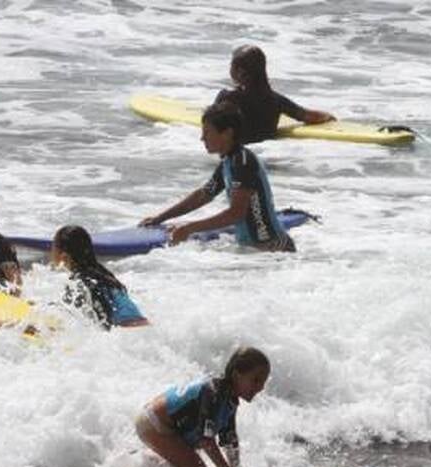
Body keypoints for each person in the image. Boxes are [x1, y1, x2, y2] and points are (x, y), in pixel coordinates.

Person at [140, 102, 296, 251]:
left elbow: (236, 214)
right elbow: (204, 194)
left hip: (274, 248)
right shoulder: (230, 161)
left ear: (227, 133)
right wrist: (160, 218)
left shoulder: (242, 162)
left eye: (207, 132)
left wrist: (189, 228)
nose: (202, 138)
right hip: (255, 249)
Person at [127, 347, 272, 467]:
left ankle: (146, 465)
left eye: (263, 382)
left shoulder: (230, 400)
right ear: (236, 375)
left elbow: (229, 440)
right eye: (256, 380)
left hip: (169, 427)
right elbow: (206, 441)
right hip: (153, 423)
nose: (260, 387)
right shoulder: (213, 393)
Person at [214, 45, 334, 144]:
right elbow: (307, 116)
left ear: (240, 72)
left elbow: (211, 124)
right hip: (267, 156)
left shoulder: (227, 98)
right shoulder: (276, 100)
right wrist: (328, 116)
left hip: (236, 157)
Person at [51, 225, 148, 329]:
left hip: (126, 333)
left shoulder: (78, 282)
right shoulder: (104, 275)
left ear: (64, 255)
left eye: (54, 247)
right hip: (144, 328)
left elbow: (73, 320)